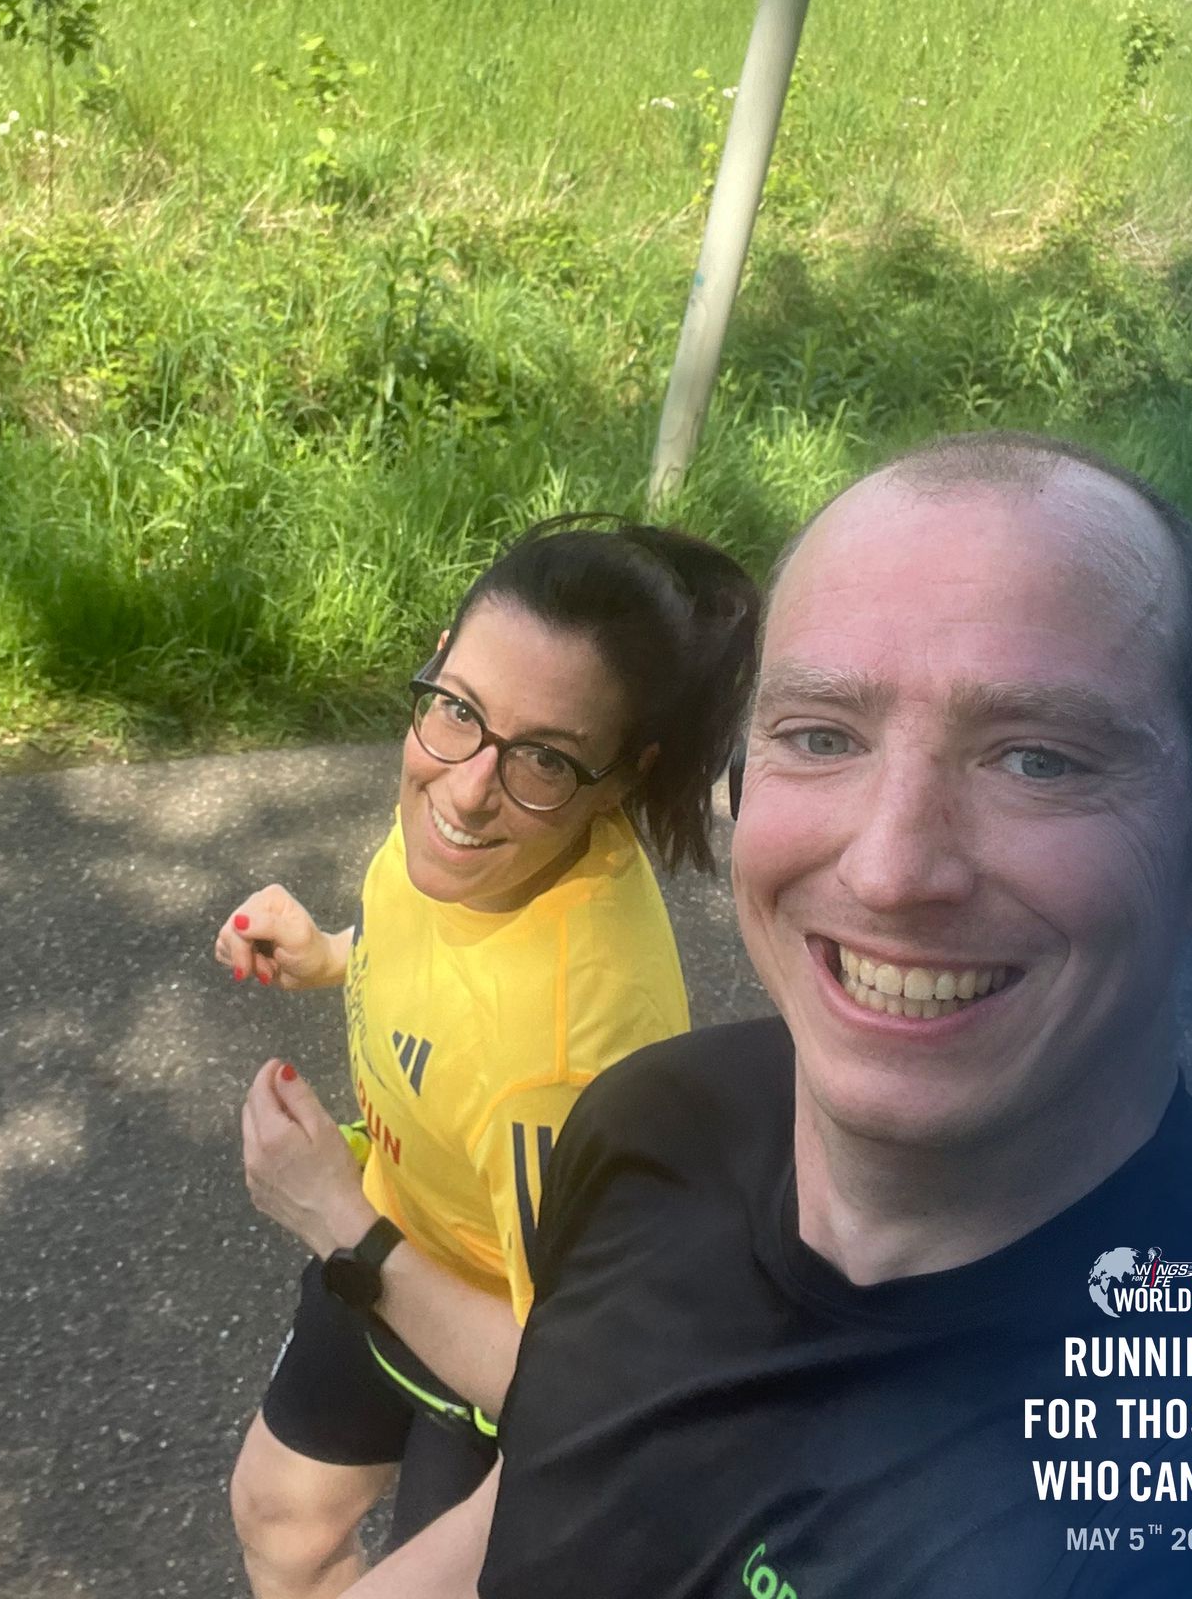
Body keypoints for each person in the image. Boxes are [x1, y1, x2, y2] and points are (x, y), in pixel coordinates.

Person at [343, 431, 1192, 1599]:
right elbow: (557, 1481)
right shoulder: (654, 1120)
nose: (890, 870)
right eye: (822, 735)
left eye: (1038, 759)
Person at [216, 518, 761, 1599]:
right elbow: (447, 957)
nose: (467, 791)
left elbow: (577, 1387)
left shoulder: (558, 1073)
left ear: (621, 779)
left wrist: (332, 1214)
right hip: (395, 1224)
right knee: (280, 1519)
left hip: (496, 1346)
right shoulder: (475, 822)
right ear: (438, 664)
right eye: (459, 708)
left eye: (545, 757)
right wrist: (332, 953)